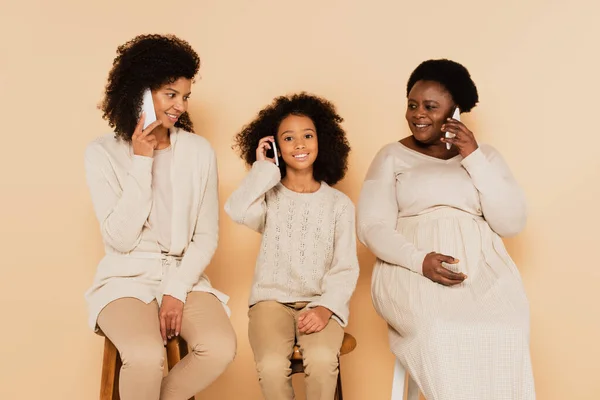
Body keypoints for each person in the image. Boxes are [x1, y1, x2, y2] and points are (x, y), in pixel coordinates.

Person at [357, 59, 535, 399]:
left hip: (480, 270)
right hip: (411, 269)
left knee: (508, 327)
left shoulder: (486, 157)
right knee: (439, 330)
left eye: (430, 106)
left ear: (455, 112)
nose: (417, 114)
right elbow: (370, 226)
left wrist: (473, 157)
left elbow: (511, 223)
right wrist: (419, 260)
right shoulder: (391, 156)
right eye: (412, 105)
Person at [84, 34, 236, 400]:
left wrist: (176, 289)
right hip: (125, 277)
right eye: (171, 94)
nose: (180, 106)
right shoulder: (101, 153)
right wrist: (141, 160)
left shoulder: (199, 152)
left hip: (183, 274)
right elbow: (119, 239)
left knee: (219, 347)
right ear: (140, 91)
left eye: (185, 96)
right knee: (145, 356)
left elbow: (206, 236)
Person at [225, 93, 359, 400]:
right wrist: (262, 170)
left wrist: (327, 307)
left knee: (324, 362)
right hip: (270, 302)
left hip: (320, 302)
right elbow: (236, 209)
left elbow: (346, 266)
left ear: (321, 140)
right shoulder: (269, 197)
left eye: (307, 136)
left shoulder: (339, 205)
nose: (299, 145)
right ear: (276, 147)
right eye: (288, 138)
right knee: (271, 366)